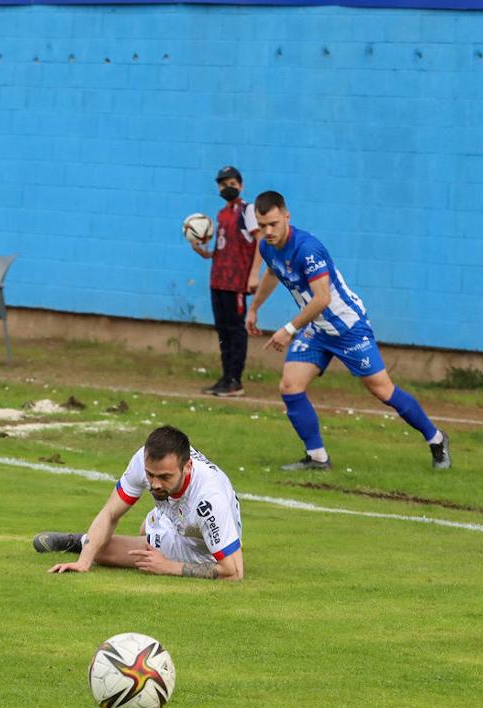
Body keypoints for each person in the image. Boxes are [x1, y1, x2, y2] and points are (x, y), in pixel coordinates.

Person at [245, 191, 449, 471]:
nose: (268, 231)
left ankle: (436, 439)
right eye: (262, 225)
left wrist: (289, 329)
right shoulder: (268, 247)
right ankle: (318, 458)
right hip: (316, 329)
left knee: (383, 390)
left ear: (286, 217)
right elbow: (272, 273)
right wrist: (254, 307)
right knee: (290, 385)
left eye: (274, 224)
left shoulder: (307, 249)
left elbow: (322, 299)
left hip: (347, 328)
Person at [33, 425, 243, 581]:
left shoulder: (209, 500)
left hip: (200, 545)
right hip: (174, 513)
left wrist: (168, 566)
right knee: (117, 540)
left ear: (187, 466)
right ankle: (85, 545)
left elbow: (234, 572)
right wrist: (83, 563)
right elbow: (110, 513)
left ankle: (80, 541)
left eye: (164, 477)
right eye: (150, 475)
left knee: (105, 552)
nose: (155, 484)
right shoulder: (142, 461)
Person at [189, 166, 262, 397]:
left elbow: (260, 241)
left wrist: (254, 273)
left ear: (240, 185)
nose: (226, 188)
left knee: (236, 330)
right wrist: (203, 252)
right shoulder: (221, 214)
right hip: (218, 280)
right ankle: (225, 375)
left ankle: (235, 380)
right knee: (222, 330)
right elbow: (222, 248)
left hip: (236, 281)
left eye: (231, 184)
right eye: (222, 184)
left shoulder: (247, 211)